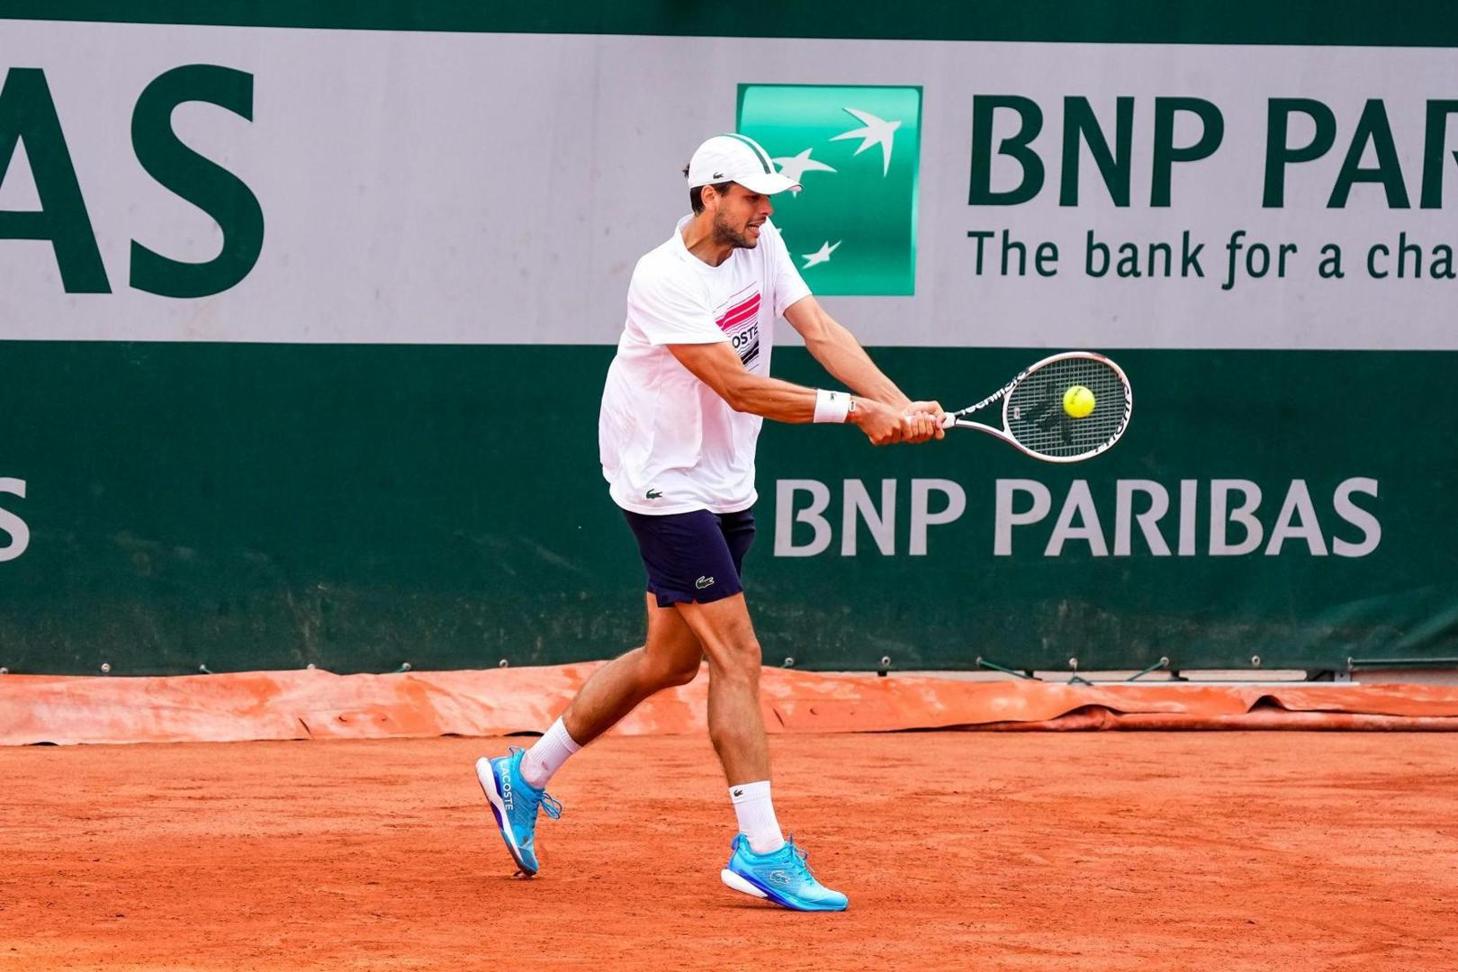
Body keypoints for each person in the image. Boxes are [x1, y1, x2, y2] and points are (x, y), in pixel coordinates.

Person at [475, 133, 943, 912]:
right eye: (753, 197)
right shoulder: (661, 279)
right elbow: (738, 387)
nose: (766, 210)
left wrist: (893, 402)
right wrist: (860, 414)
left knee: (669, 662)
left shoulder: (763, 244)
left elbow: (821, 331)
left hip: (724, 478)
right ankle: (762, 850)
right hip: (661, 479)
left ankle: (520, 777)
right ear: (709, 197)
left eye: (769, 198)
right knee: (739, 655)